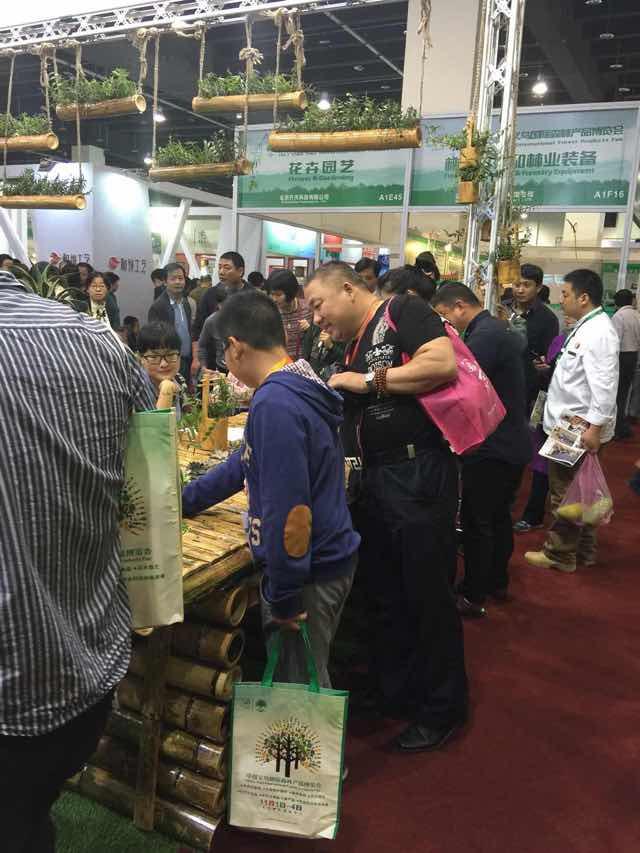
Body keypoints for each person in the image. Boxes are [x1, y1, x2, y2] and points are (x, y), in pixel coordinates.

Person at [0, 266, 155, 853]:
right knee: (28, 820)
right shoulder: (95, 339)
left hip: (14, 691)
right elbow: (147, 452)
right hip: (86, 671)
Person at [305, 261, 467, 752]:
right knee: (387, 594)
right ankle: (398, 693)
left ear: (348, 289)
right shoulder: (351, 342)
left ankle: (442, 709)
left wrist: (364, 382)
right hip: (374, 481)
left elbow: (441, 365)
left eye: (318, 305)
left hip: (416, 475)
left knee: (427, 595)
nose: (316, 318)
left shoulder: (403, 311)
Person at [183, 290, 359, 689]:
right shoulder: (297, 381)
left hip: (309, 571)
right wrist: (185, 500)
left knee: (295, 692)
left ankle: (303, 737)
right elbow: (242, 463)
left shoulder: (275, 403)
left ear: (235, 347)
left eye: (224, 354)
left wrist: (284, 595)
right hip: (324, 559)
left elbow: (289, 511)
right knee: (302, 674)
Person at [433, 283, 531, 617]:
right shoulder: (492, 330)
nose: (446, 323)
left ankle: (474, 594)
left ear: (460, 306)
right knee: (497, 517)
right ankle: (495, 582)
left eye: (445, 315)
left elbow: (457, 384)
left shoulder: (484, 337)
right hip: (510, 441)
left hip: (493, 445)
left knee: (478, 521)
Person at [525, 269, 619, 573]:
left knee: (565, 495)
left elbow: (605, 385)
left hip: (576, 428)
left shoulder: (599, 332)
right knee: (581, 493)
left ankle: (560, 554)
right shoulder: (587, 326)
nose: (561, 300)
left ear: (583, 297)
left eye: (565, 294)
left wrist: (595, 428)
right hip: (571, 424)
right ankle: (583, 551)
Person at [510, 264, 560, 409]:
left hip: (529, 389)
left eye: (526, 285)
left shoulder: (548, 319)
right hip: (501, 383)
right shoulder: (503, 309)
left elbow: (548, 359)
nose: (520, 290)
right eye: (517, 285)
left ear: (538, 288)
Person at [148, 262, 193, 379]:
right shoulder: (158, 306)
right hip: (170, 362)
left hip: (187, 359)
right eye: (173, 279)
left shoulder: (185, 303)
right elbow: (154, 338)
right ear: (165, 282)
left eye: (181, 278)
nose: (178, 282)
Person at [192, 252, 248, 342]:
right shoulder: (210, 294)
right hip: (214, 348)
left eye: (227, 268)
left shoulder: (253, 296)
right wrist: (196, 347)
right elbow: (198, 326)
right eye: (219, 267)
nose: (221, 272)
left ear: (240, 271)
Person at [138, 322, 189, 416]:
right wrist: (166, 390)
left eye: (170, 355)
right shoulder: (135, 389)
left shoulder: (179, 379)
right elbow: (156, 425)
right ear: (141, 358)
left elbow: (188, 416)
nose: (164, 364)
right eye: (154, 357)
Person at [611, 288, 640, 440]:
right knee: (626, 392)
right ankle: (622, 425)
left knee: (617, 394)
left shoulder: (619, 316)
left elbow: (615, 341)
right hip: (633, 355)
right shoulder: (637, 315)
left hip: (621, 356)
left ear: (617, 302)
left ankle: (617, 427)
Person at [268, 269, 312, 361]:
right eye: (272, 294)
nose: (274, 299)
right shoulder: (270, 313)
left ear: (290, 292)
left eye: (278, 295)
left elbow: (317, 341)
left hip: (303, 364)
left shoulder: (308, 309)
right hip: (278, 364)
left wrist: (310, 330)